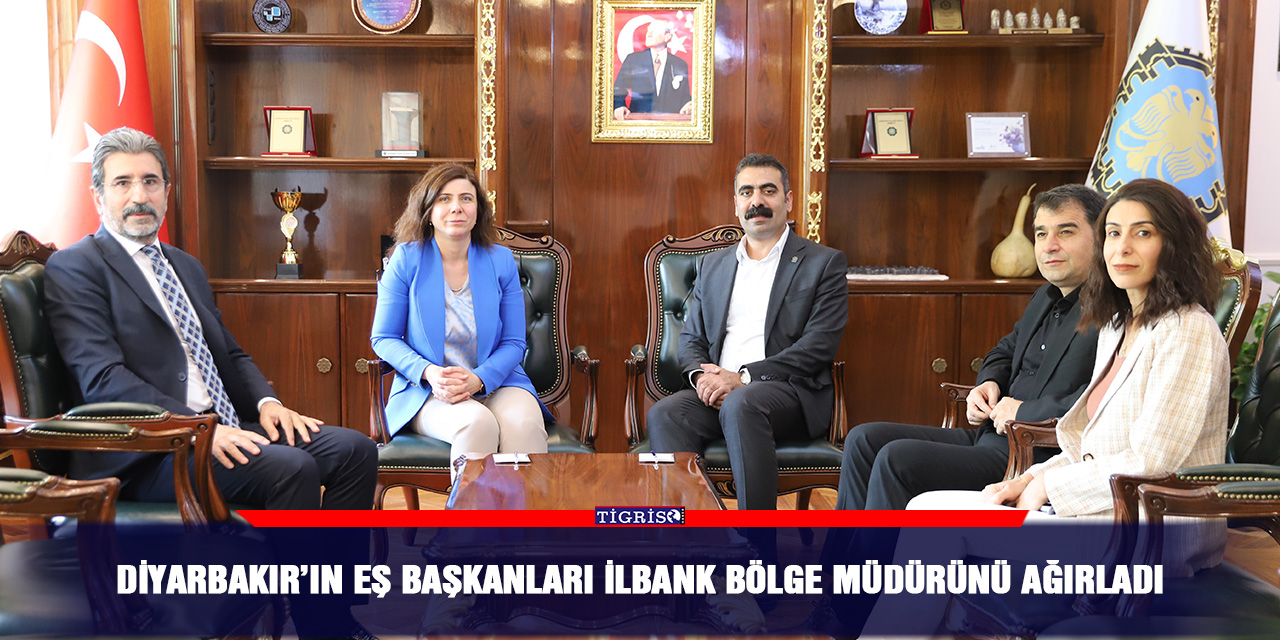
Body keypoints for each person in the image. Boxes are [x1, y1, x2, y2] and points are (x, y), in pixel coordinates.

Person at [44, 127, 378, 639]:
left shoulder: (185, 266)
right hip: (147, 451)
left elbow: (230, 354)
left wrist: (267, 403)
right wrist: (195, 429)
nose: (139, 196)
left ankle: (332, 608)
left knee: (354, 450)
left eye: (150, 181)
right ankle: (317, 625)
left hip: (220, 428)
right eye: (123, 183)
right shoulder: (75, 268)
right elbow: (102, 380)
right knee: (290, 469)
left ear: (167, 191)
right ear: (98, 195)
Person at [861, 178, 1229, 637]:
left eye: (1143, 233)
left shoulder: (1188, 330)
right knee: (925, 507)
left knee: (940, 525)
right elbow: (1085, 443)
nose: (1122, 247)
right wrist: (1028, 478)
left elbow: (1153, 461)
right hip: (1098, 510)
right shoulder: (1119, 326)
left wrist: (1049, 487)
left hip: (1151, 531)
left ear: (1174, 244)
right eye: (1114, 232)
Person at [836, 184, 1105, 511]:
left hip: (1031, 456)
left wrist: (1022, 411)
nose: (1049, 245)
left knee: (896, 459)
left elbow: (1101, 403)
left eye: (1065, 232)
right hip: (990, 438)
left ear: (1100, 236)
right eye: (1041, 233)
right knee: (863, 440)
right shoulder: (1044, 296)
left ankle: (882, 546)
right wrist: (988, 383)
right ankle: (848, 544)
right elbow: (1003, 351)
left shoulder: (1112, 311)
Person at [646, 153, 848, 510]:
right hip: (719, 392)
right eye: (747, 192)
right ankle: (690, 535)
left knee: (742, 403)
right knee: (666, 413)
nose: (757, 201)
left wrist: (741, 378)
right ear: (736, 203)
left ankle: (757, 537)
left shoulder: (823, 262)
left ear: (788, 200)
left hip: (787, 393)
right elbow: (691, 338)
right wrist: (704, 379)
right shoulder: (713, 264)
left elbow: (819, 345)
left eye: (768, 191)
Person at [371, 163, 551, 474]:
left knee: (525, 424)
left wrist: (479, 379)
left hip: (497, 382)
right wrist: (429, 373)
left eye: (466, 199)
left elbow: (514, 342)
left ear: (478, 211)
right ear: (428, 210)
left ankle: (526, 508)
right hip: (429, 390)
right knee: (476, 422)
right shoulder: (405, 259)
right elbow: (383, 338)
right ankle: (470, 509)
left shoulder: (501, 260)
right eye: (444, 199)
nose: (456, 207)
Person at [612, 19, 694, 120]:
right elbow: (619, 90)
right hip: (638, 122)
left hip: (669, 123)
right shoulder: (634, 60)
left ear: (667, 37)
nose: (649, 34)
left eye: (654, 30)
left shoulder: (679, 64)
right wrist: (619, 106)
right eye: (648, 30)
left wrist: (689, 105)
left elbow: (684, 98)